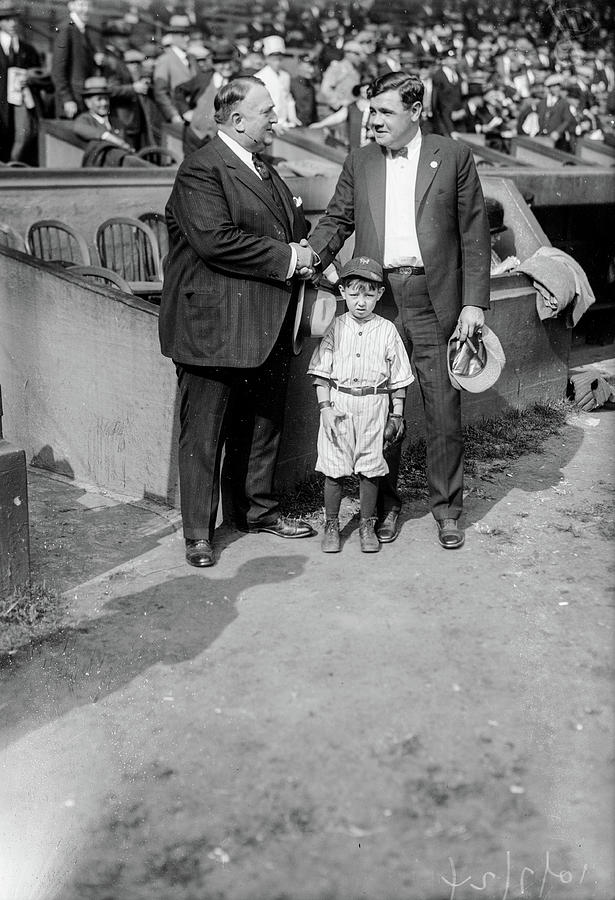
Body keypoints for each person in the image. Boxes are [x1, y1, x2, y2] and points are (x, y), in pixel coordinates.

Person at [308, 71, 491, 550]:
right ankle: (383, 509)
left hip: (436, 300)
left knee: (442, 407)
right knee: (377, 407)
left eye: (386, 112)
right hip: (377, 302)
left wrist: (473, 303)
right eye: (372, 111)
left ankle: (447, 510)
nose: (373, 122)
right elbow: (337, 220)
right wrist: (309, 257)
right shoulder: (360, 161)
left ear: (417, 112)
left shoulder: (453, 157)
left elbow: (474, 233)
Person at [159, 76, 317, 568]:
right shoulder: (201, 169)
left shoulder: (264, 170)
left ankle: (256, 511)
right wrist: (290, 258)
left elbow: (296, 233)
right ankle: (198, 533)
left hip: (265, 324)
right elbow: (215, 240)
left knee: (262, 425)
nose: (276, 119)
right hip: (214, 326)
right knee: (204, 433)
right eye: (268, 111)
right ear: (236, 119)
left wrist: (314, 256)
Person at [307, 256, 413, 554]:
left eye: (369, 294)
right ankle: (331, 525)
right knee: (334, 468)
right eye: (354, 294)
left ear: (380, 293)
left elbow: (399, 378)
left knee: (370, 467)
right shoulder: (335, 327)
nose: (361, 302)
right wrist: (325, 408)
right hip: (339, 405)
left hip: (374, 405)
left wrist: (397, 414)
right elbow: (320, 372)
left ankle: (367, 523)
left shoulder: (387, 330)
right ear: (343, 292)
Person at [0, 4, 41, 164]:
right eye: (7, 20)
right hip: (1, 102)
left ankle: (13, 165)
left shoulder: (27, 49)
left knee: (23, 133)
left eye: (14, 19)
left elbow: (40, 74)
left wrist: (30, 78)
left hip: (20, 100)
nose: (12, 24)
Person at [51, 0, 98, 119]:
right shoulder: (66, 28)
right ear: (71, 6)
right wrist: (67, 99)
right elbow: (58, 68)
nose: (86, 9)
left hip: (80, 98)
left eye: (88, 5)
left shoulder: (82, 30)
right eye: (81, 5)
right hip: (71, 102)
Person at [255, 36, 300, 131]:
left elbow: (288, 99)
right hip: (268, 126)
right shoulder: (259, 77)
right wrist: (270, 124)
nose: (277, 63)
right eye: (274, 59)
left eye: (279, 59)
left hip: (284, 124)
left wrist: (293, 117)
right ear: (266, 59)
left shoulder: (285, 76)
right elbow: (259, 106)